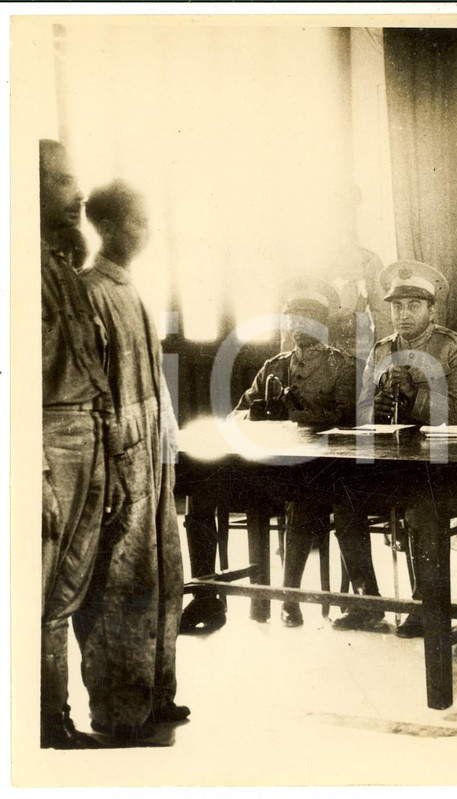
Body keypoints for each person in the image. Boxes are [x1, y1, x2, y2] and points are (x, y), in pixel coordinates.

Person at [74, 180, 188, 742]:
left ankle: (156, 696)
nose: (145, 232)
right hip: (120, 455)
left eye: (147, 222)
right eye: (135, 222)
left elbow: (156, 387)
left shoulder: (131, 290)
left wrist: (170, 448)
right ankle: (119, 710)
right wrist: (109, 467)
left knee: (163, 575)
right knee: (117, 583)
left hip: (152, 454)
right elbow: (91, 391)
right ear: (108, 227)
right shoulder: (89, 291)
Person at [229, 279, 382, 629]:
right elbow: (238, 413)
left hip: (336, 471)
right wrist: (255, 415)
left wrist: (295, 412)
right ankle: (289, 600)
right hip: (283, 470)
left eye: (308, 319)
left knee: (312, 502)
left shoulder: (344, 367)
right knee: (297, 496)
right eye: (293, 319)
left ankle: (344, 600)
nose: (299, 327)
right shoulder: (274, 366)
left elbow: (348, 419)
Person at [343, 260, 457, 639]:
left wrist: (414, 396)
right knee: (345, 500)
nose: (403, 314)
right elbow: (361, 411)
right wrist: (375, 409)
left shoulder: (454, 347)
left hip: (441, 469)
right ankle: (365, 601)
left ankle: (425, 604)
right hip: (392, 464)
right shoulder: (381, 350)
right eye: (397, 306)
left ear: (432, 310)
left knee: (422, 506)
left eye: (414, 306)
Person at [39, 140, 117, 749]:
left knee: (65, 594)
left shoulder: (63, 270)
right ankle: (38, 726)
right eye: (63, 180)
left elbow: (95, 370)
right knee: (33, 592)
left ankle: (55, 721)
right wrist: (31, 470)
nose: (79, 193)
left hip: (87, 436)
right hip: (48, 442)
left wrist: (107, 456)